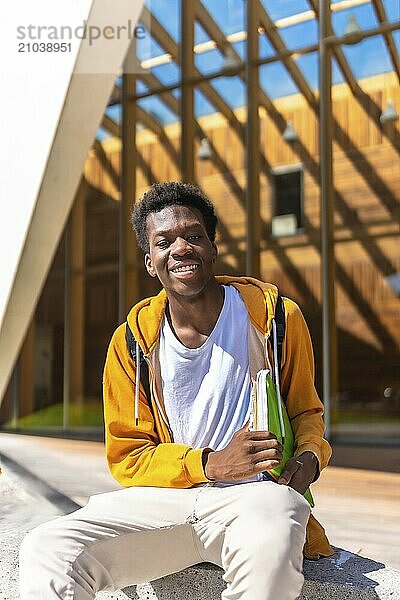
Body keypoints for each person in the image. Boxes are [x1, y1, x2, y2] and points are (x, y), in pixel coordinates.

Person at [19, 182, 333, 600]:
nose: (181, 248)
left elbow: (306, 413)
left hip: (255, 498)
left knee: (277, 529)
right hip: (165, 501)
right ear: (151, 262)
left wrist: (309, 457)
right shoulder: (131, 342)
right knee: (47, 547)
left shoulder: (274, 318)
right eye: (164, 241)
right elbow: (128, 457)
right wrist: (210, 464)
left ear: (212, 247)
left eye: (193, 235)